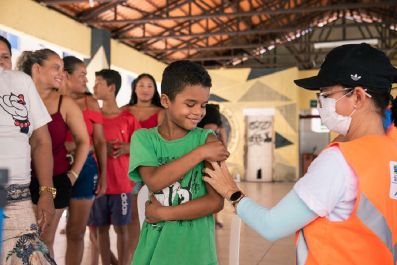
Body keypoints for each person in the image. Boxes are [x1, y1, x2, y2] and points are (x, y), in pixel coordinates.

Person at [203, 43, 397, 265]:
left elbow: (272, 225)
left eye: (326, 94)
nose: (321, 102)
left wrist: (232, 191)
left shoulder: (341, 161)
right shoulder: (391, 146)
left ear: (359, 97)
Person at [129, 60, 229, 265]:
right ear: (166, 100)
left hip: (196, 252)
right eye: (190, 104)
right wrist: (201, 153)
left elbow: (215, 202)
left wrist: (165, 213)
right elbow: (155, 181)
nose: (198, 112)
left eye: (203, 105)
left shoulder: (207, 139)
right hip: (154, 250)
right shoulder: (144, 139)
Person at [17, 48, 90, 257]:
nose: (61, 73)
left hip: (55, 182)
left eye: (63, 69)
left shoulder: (64, 103)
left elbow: (84, 141)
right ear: (37, 69)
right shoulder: (17, 99)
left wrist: (73, 175)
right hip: (20, 180)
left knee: (43, 242)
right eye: (56, 68)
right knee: (22, 242)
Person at [0, 37, 56, 264]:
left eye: (4, 57)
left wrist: (46, 192)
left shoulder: (21, 82)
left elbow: (41, 141)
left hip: (17, 199)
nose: (0, 63)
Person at [89, 69, 141, 265]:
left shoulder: (128, 119)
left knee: (122, 229)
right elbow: (85, 143)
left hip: (121, 184)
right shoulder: (94, 117)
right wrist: (101, 146)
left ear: (111, 88)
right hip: (99, 184)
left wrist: (127, 147)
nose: (94, 87)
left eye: (98, 83)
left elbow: (142, 147)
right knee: (100, 228)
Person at [60, 56, 107, 265]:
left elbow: (99, 141)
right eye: (82, 75)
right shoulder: (50, 100)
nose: (86, 81)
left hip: (87, 169)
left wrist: (104, 175)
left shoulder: (91, 102)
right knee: (44, 230)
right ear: (66, 76)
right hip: (55, 168)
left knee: (76, 232)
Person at [123, 73, 164, 261]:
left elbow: (161, 142)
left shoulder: (161, 112)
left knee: (153, 217)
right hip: (126, 171)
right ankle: (135, 258)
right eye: (141, 85)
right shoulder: (124, 110)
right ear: (134, 88)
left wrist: (128, 147)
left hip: (151, 171)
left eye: (150, 85)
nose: (145, 89)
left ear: (155, 90)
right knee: (132, 219)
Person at [197, 103, 227, 229]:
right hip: (210, 161)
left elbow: (225, 150)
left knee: (209, 191)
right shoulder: (218, 129)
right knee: (213, 191)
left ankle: (212, 219)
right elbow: (225, 150)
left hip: (205, 160)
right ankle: (213, 219)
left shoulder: (200, 131)